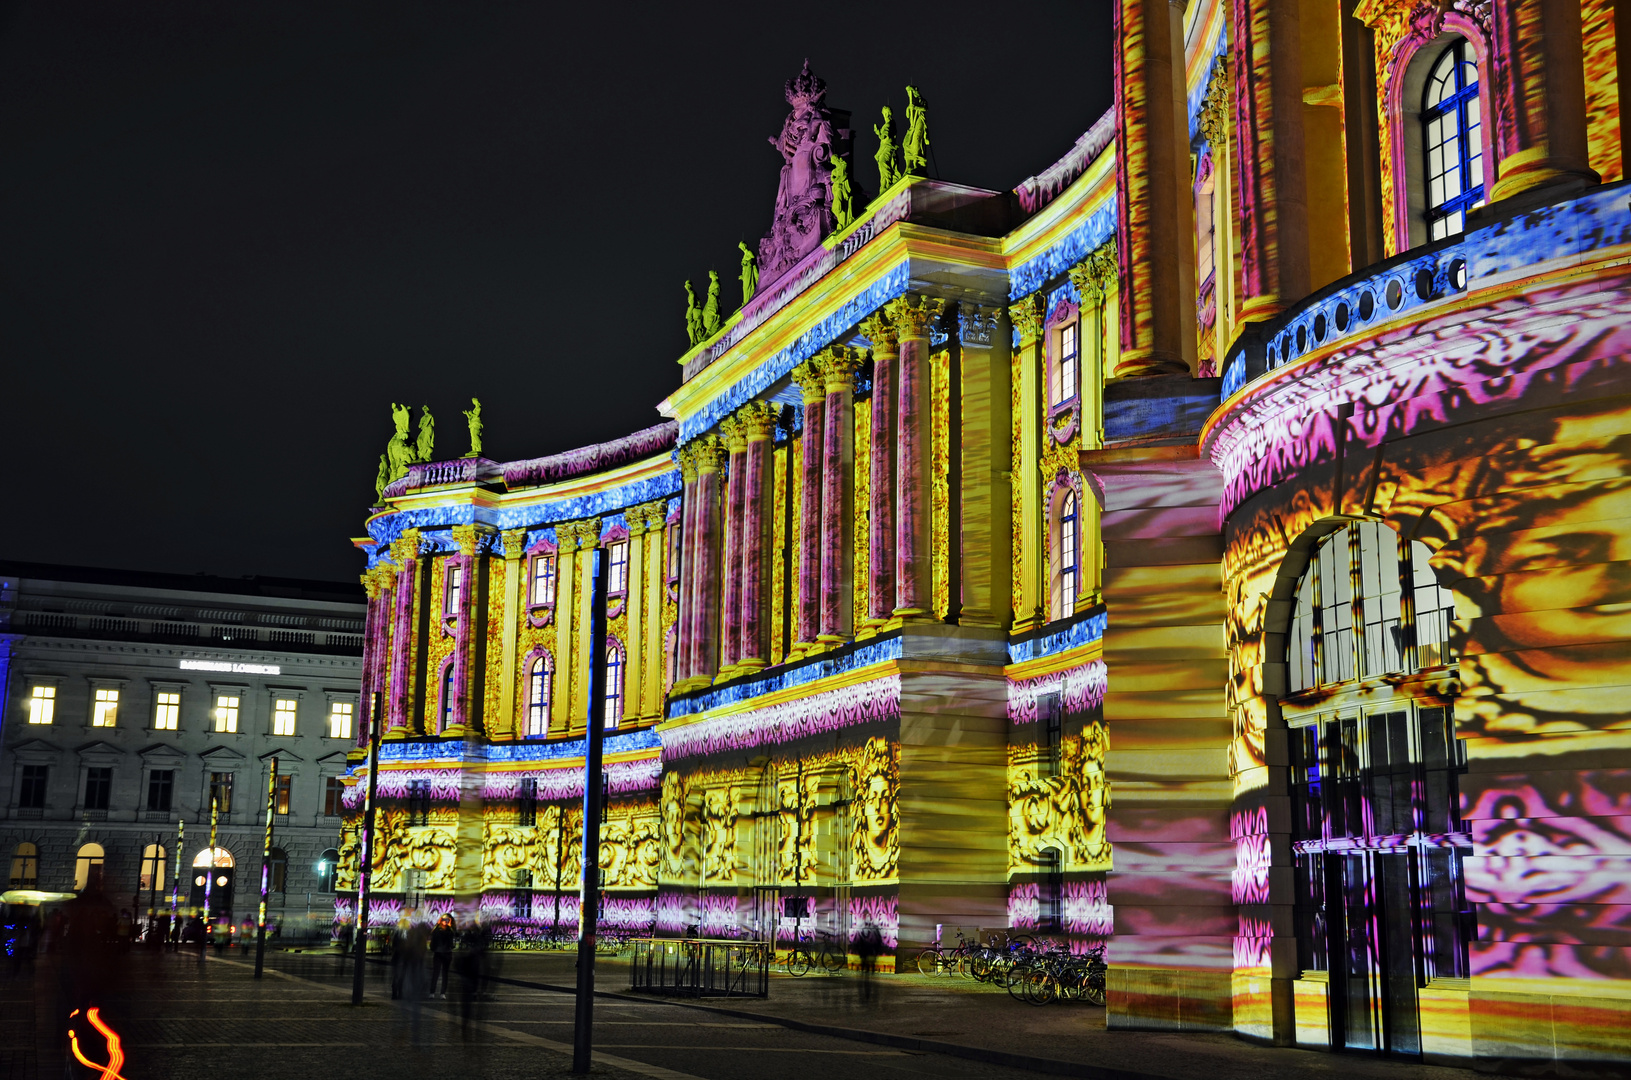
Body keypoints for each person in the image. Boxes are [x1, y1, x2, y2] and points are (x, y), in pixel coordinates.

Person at [430, 914, 455, 999]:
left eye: (447, 920)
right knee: (436, 973)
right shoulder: (436, 930)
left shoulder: (450, 930)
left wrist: (450, 925)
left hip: (447, 953)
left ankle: (442, 993)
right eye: (444, 919)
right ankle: (432, 992)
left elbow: (454, 934)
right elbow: (433, 938)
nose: (445, 921)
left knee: (445, 974)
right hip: (438, 953)